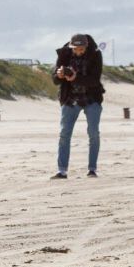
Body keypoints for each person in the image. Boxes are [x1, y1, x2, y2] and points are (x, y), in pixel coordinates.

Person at [52, 33, 105, 179]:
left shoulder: (95, 55)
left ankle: (92, 169)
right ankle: (62, 170)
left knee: (93, 133)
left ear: (86, 46)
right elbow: (55, 80)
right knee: (64, 134)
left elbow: (95, 80)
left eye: (81, 48)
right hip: (70, 100)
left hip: (91, 99)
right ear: (71, 47)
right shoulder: (64, 54)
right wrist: (59, 75)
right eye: (76, 48)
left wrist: (76, 78)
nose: (79, 51)